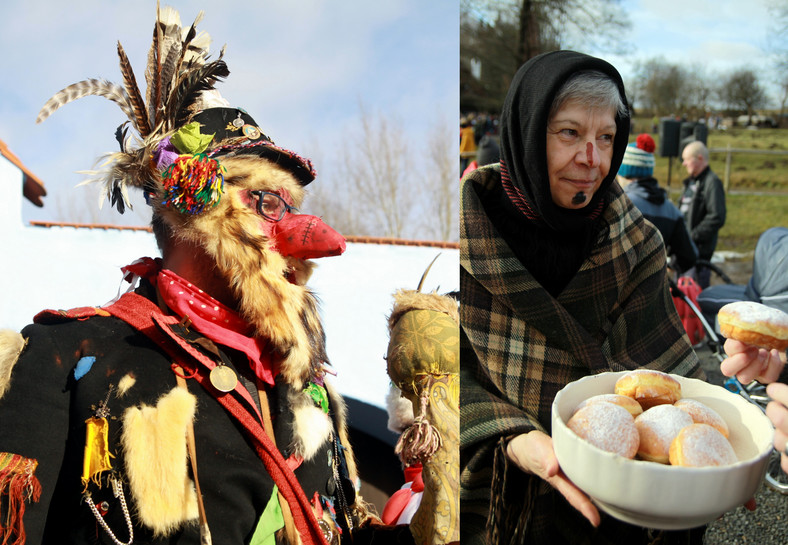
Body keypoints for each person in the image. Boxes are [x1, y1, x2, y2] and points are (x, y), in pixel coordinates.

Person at [0, 8, 418, 545]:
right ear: (195, 209)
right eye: (267, 203)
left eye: (290, 206)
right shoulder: (61, 356)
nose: (295, 231)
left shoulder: (306, 386)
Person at [460, 50, 706, 544]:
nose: (592, 160)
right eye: (569, 133)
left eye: (605, 138)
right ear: (527, 132)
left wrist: (713, 464)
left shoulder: (638, 245)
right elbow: (437, 379)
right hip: (501, 505)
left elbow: (672, 386)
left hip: (625, 509)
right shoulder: (464, 239)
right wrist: (509, 436)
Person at [618, 133, 698, 274]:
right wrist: (667, 270)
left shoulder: (621, 204)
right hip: (655, 290)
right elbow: (689, 256)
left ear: (624, 173)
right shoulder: (671, 210)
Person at [678, 140, 726, 288]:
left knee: (696, 302)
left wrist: (692, 236)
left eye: (687, 159)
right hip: (684, 254)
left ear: (699, 158)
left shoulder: (712, 182)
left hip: (699, 257)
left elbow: (717, 216)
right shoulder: (691, 182)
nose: (684, 164)